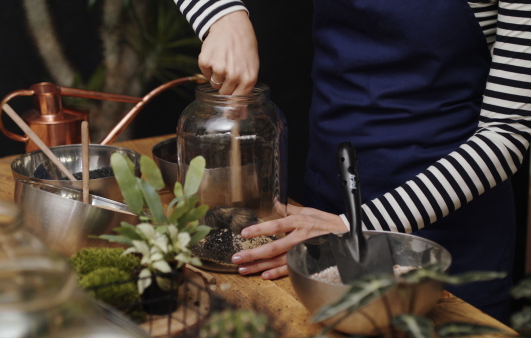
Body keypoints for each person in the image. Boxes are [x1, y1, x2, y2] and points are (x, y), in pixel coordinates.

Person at [173, 0, 531, 323]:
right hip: (323, 202)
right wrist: (221, 16)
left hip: (443, 235)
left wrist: (353, 227)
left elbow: (508, 132)